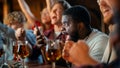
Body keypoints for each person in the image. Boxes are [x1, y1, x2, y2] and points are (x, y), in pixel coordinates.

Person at [62, 0, 120, 67]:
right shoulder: (113, 34)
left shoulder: (101, 40)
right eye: (98, 1)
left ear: (80, 26)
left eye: (66, 24)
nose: (101, 4)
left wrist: (82, 59)